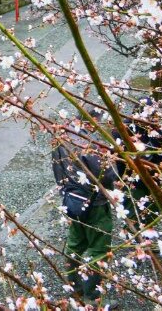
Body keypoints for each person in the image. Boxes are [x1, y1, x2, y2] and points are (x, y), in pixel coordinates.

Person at [52, 121, 118, 303]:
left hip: (72, 200)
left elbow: (57, 169)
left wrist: (65, 191)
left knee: (75, 243)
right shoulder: (84, 143)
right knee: (99, 248)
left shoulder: (60, 140)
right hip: (94, 202)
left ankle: (74, 285)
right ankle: (93, 296)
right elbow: (104, 174)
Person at [113, 98, 162, 227]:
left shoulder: (155, 132)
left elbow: (161, 155)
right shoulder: (123, 130)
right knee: (134, 215)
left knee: (151, 213)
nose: (156, 119)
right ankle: (136, 241)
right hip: (134, 182)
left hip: (153, 181)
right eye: (153, 116)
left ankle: (147, 236)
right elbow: (142, 158)